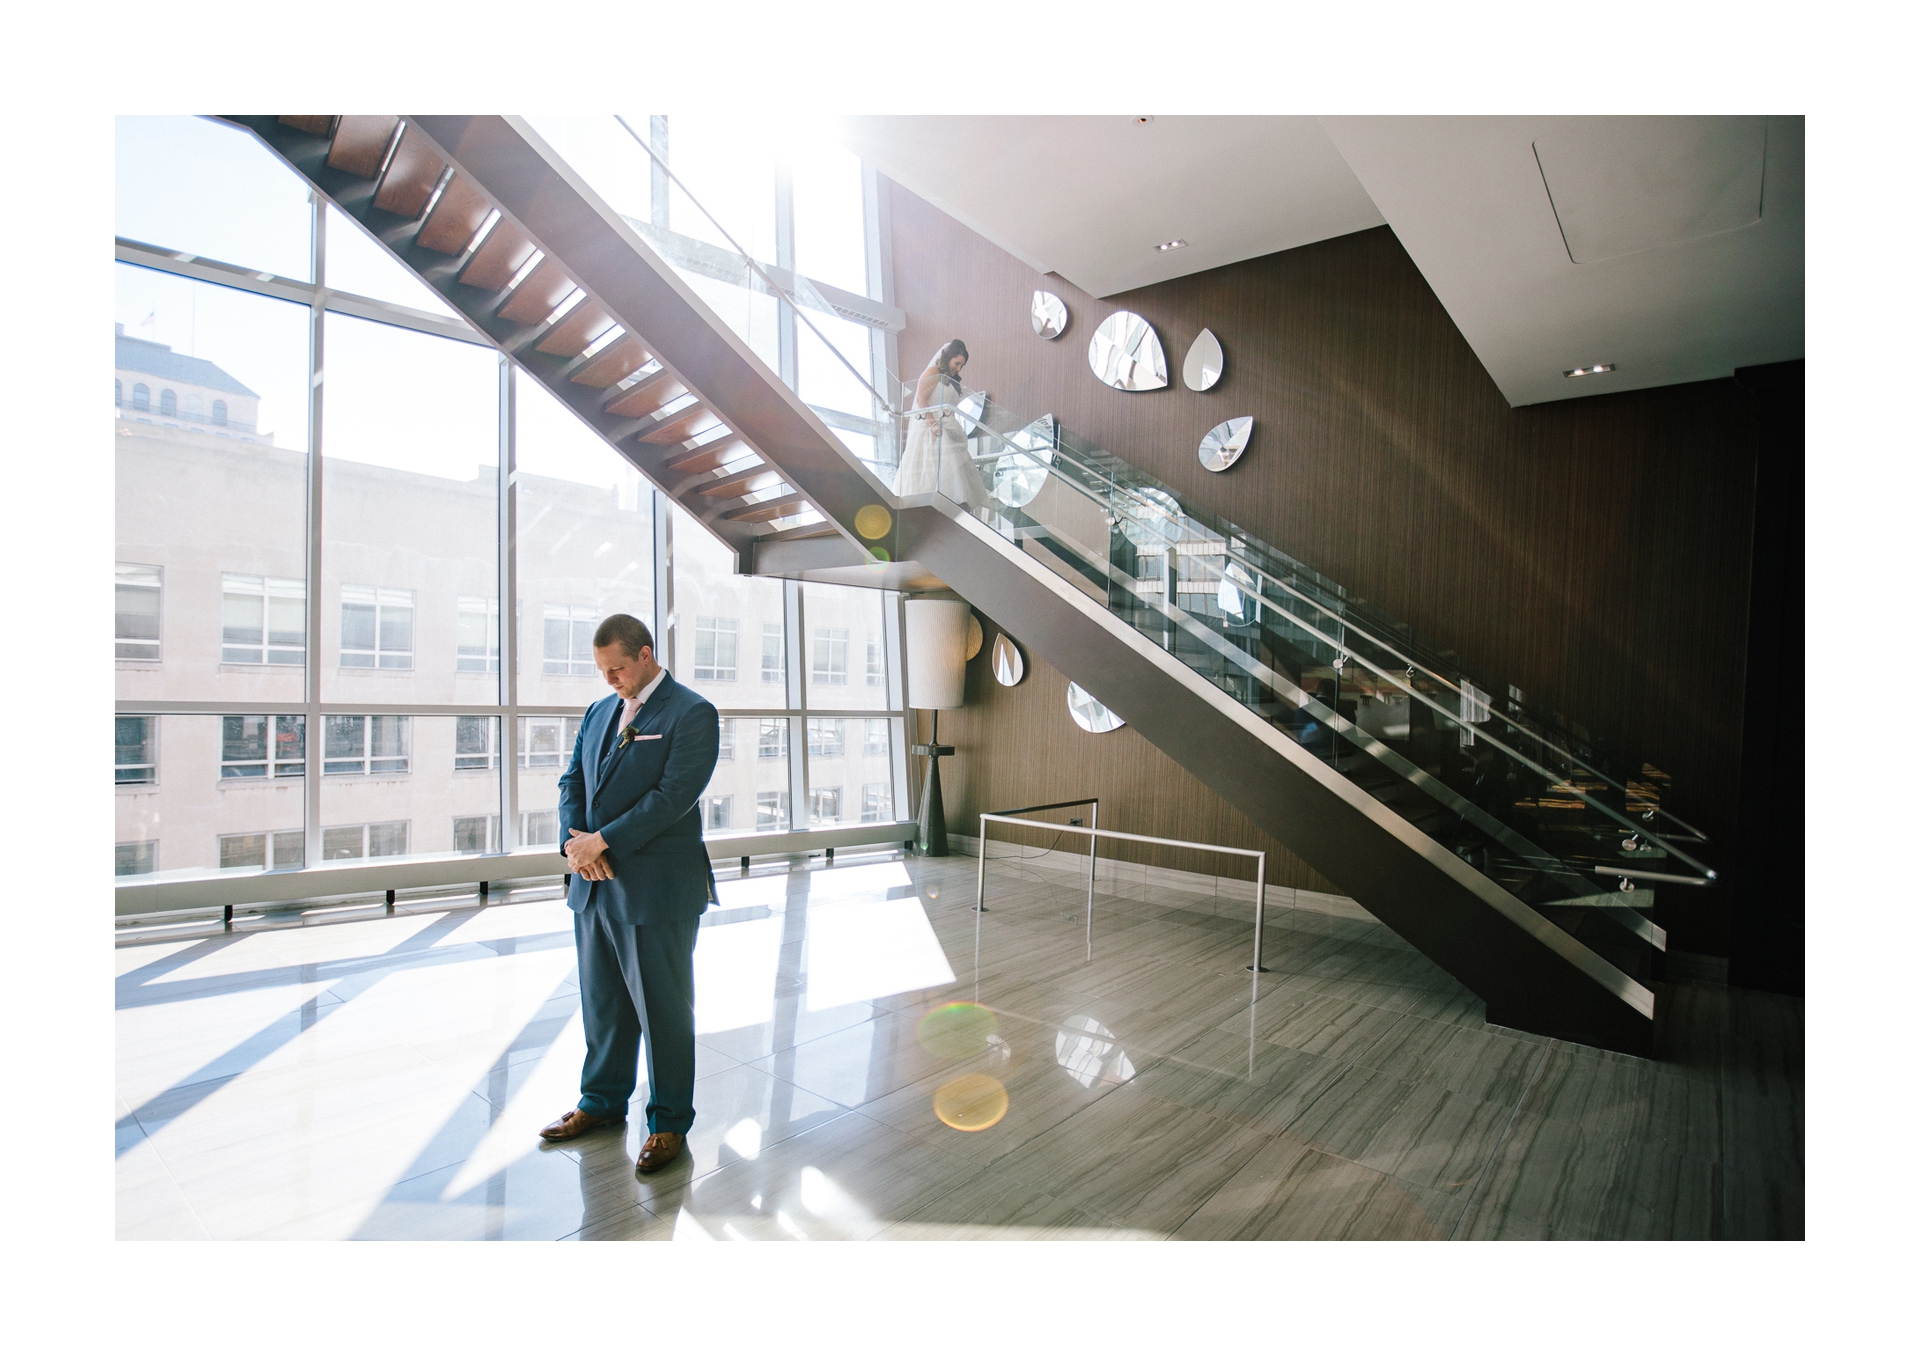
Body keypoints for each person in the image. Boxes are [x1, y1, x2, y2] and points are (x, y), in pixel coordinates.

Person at [538, 614, 720, 1174]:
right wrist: (578, 846)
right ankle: (601, 1103)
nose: (609, 679)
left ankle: (667, 1122)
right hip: (592, 884)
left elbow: (672, 798)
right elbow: (572, 780)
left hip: (656, 889)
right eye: (602, 671)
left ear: (645, 655)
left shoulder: (692, 713)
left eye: (616, 668)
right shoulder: (598, 712)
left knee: (663, 1011)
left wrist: (603, 842)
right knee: (603, 1006)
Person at [895, 338, 990, 508]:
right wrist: (932, 424)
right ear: (949, 357)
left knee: (955, 473)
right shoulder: (932, 372)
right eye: (957, 363)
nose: (959, 368)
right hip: (932, 428)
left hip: (948, 427)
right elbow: (921, 399)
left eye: (962, 366)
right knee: (934, 470)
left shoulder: (950, 380)